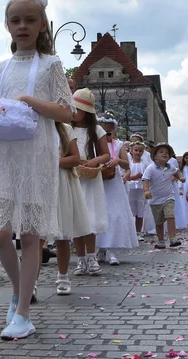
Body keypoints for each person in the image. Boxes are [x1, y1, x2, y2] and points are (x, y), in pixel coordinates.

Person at [0, 0, 73, 340]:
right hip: (4, 156)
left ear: (42, 25)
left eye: (30, 20)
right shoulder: (0, 69)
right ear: (7, 25)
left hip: (37, 154)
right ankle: (20, 291)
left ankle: (22, 313)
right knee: (0, 232)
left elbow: (67, 111)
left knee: (31, 235)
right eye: (16, 20)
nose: (23, 26)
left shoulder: (51, 65)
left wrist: (31, 102)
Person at [69, 89, 109, 275]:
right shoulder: (67, 128)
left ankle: (92, 257)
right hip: (74, 176)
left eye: (79, 109)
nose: (75, 112)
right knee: (76, 218)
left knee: (90, 216)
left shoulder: (97, 130)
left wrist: (95, 161)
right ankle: (81, 258)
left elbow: (106, 154)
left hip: (91, 178)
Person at [96, 115, 139, 264]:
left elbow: (127, 165)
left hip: (113, 184)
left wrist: (118, 161)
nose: (106, 137)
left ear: (113, 132)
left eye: (109, 133)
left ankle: (113, 250)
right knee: (100, 213)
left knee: (114, 214)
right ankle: (100, 249)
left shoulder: (118, 145)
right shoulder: (94, 144)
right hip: (99, 182)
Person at [52, 122, 88, 295]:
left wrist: (53, 162)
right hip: (37, 181)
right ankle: (31, 283)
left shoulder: (64, 128)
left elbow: (75, 158)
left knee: (63, 232)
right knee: (35, 236)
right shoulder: (30, 123)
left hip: (61, 181)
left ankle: (63, 275)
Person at [142, 143, 183, 248]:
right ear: (155, 156)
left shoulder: (171, 167)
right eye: (161, 152)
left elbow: (177, 172)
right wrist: (146, 190)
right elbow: (145, 179)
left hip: (169, 197)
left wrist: (180, 177)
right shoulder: (151, 168)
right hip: (155, 200)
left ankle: (173, 238)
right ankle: (161, 240)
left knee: (170, 216)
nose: (164, 154)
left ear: (169, 156)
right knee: (159, 221)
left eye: (167, 153)